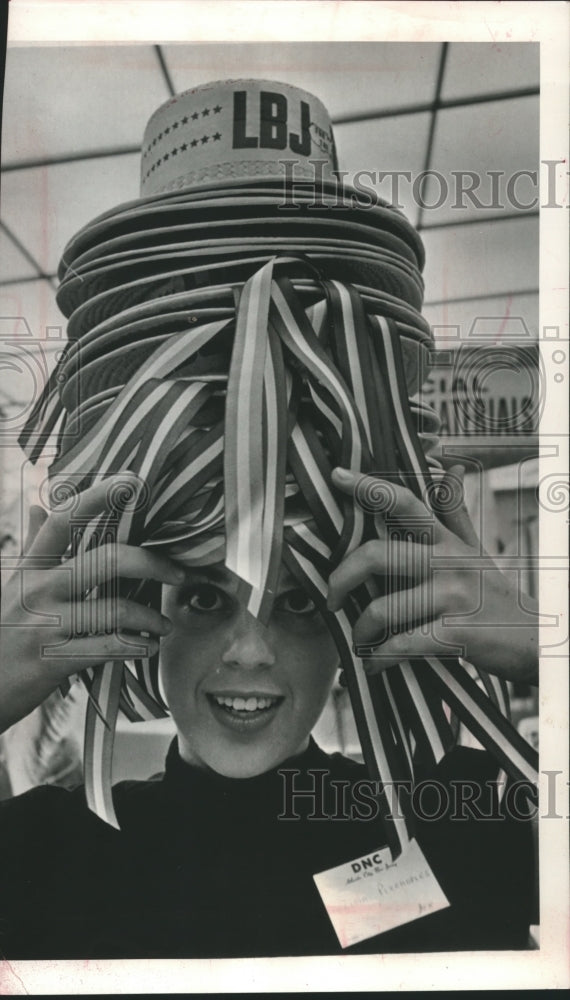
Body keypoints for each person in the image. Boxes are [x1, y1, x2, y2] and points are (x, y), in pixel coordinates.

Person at [0, 78, 538, 959]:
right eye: (207, 598)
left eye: (297, 602)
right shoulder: (44, 855)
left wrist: (542, 651)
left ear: (352, 623)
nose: (249, 650)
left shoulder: (460, 825)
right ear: (140, 614)